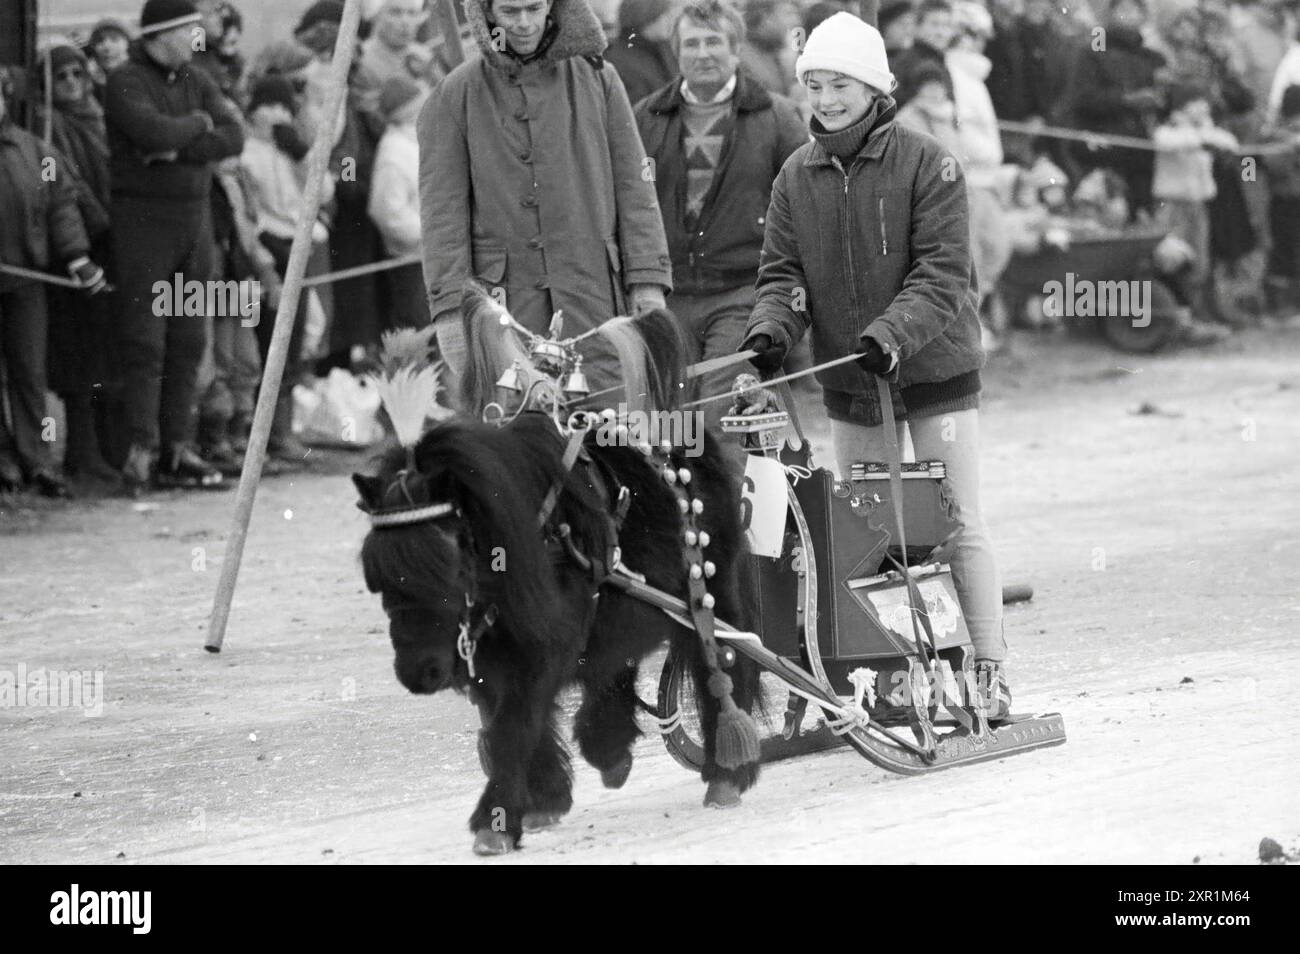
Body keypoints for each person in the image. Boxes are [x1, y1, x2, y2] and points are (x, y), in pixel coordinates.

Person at [738, 11, 1011, 718]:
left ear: (872, 89)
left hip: (933, 372)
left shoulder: (928, 162)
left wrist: (891, 333)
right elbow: (783, 275)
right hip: (855, 382)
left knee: (952, 521)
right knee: (870, 528)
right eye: (815, 86)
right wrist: (772, 329)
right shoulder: (796, 176)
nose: (825, 100)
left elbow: (942, 273)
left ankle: (987, 666)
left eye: (840, 86)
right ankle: (898, 676)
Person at [419, 0, 672, 405]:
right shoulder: (455, 94)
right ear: (487, 15)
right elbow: (441, 215)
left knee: (609, 433)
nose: (523, 23)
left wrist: (648, 279)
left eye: (534, 9)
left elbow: (636, 189)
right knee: (520, 443)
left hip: (595, 302)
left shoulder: (600, 80)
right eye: (510, 12)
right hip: (504, 309)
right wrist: (449, 310)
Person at [633, 0, 806, 465]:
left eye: (714, 42)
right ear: (676, 51)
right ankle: (688, 529)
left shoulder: (777, 116)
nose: (703, 53)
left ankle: (727, 528)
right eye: (692, 42)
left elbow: (805, 206)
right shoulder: (644, 119)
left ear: (736, 49)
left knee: (719, 416)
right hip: (667, 296)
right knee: (671, 423)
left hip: (742, 292)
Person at [105, 0, 245, 489]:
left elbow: (235, 135)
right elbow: (150, 130)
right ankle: (140, 449)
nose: (198, 38)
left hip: (194, 221)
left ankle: (176, 449)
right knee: (146, 341)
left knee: (189, 340)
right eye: (188, 30)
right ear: (160, 35)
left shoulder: (196, 78)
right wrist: (197, 127)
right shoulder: (125, 79)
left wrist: (174, 148)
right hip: (143, 224)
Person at [0, 69, 107, 497]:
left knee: (30, 372)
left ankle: (38, 459)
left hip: (26, 283)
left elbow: (60, 203)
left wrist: (77, 257)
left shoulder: (35, 151)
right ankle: (2, 460)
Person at [39, 45, 124, 486]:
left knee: (105, 352)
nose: (72, 83)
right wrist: (94, 232)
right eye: (61, 77)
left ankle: (103, 452)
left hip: (108, 243)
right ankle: (81, 453)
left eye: (78, 73)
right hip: (74, 251)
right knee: (78, 355)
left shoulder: (99, 117)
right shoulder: (48, 126)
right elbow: (67, 185)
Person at [241, 75, 334, 463]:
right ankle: (266, 433)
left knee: (299, 337)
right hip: (269, 247)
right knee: (271, 341)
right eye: (269, 105)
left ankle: (283, 430)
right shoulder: (247, 153)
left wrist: (301, 156)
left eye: (284, 107)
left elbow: (324, 190)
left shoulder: (290, 149)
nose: (277, 114)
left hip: (300, 244)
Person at [1059, 0, 1165, 218]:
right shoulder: (1094, 50)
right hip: (1104, 148)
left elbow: (1168, 104)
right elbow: (1082, 98)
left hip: (1143, 150)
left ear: (1144, 15)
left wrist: (1165, 95)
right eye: (1122, 8)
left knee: (1145, 213)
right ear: (1111, 13)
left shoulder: (1154, 58)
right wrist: (1126, 100)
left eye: (1134, 9)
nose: (1128, 14)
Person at [368, 76, 430, 330]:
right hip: (412, 259)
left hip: (434, 255)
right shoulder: (394, 154)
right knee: (419, 327)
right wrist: (430, 233)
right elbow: (387, 213)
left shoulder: (417, 142)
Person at [605, 0, 680, 106]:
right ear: (647, 16)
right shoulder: (619, 60)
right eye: (666, 14)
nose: (672, 20)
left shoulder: (664, 48)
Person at [891, 0, 955, 107]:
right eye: (935, 24)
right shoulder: (918, 64)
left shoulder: (937, 61)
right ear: (917, 27)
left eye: (946, 25)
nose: (941, 33)